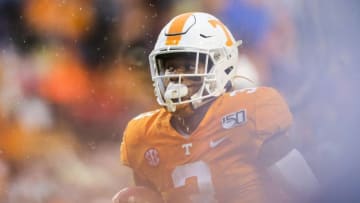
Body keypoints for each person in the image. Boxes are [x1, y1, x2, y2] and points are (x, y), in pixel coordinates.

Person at [113, 12, 318, 203]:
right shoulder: (143, 135)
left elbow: (308, 191)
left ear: (223, 65)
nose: (176, 77)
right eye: (169, 67)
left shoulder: (249, 115)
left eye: (189, 66)